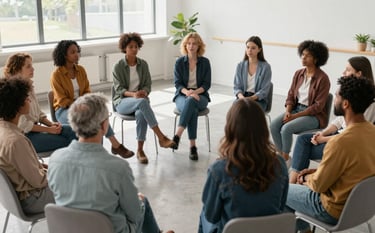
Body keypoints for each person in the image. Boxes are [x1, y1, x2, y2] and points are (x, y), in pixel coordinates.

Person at [47, 93, 174, 233]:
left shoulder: (55, 160)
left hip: (70, 229)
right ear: (104, 125)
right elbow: (135, 214)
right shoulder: (117, 168)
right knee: (142, 201)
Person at [286, 76, 375, 233]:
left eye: (337, 96)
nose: (334, 99)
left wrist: (305, 178)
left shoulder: (339, 142)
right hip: (362, 208)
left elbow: (319, 185)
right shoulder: (372, 133)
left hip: (332, 209)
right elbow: (354, 172)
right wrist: (315, 171)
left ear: (346, 104)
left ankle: (304, 229)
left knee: (282, 190)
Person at [198, 99, 289, 233]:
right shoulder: (280, 163)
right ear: (263, 129)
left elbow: (211, 216)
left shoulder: (218, 170)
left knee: (204, 215)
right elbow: (281, 206)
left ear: (230, 129)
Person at [289, 56, 375, 183]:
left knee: (303, 149)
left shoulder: (368, 101)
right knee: (303, 141)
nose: (343, 73)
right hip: (340, 135)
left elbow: (351, 135)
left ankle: (293, 183)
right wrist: (322, 133)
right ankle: (294, 182)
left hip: (344, 142)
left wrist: (323, 139)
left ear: (359, 73)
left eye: (347, 70)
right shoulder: (348, 92)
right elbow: (339, 120)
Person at [50, 40, 134, 159]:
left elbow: (86, 92)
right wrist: (80, 105)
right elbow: (62, 100)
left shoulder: (81, 70)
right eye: (72, 52)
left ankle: (110, 147)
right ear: (64, 55)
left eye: (77, 51)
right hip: (64, 110)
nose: (76, 54)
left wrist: (86, 104)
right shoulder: (56, 75)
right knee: (93, 119)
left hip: (82, 106)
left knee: (99, 116)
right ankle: (114, 146)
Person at [112, 32, 176, 164]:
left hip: (140, 102)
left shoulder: (143, 64)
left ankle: (140, 150)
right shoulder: (118, 66)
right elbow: (119, 89)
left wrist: (144, 92)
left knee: (141, 113)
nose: (134, 49)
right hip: (123, 102)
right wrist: (134, 95)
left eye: (136, 46)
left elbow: (148, 85)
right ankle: (161, 137)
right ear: (124, 48)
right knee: (142, 103)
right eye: (131, 47)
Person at [0, 77, 55, 214]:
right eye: (26, 97)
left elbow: (27, 167)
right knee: (84, 184)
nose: (29, 100)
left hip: (15, 197)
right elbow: (39, 181)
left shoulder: (4, 130)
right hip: (33, 199)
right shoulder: (16, 141)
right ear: (17, 105)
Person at [270, 40, 330, 163]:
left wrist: (295, 116)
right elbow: (291, 95)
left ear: (316, 59)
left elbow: (318, 107)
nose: (303, 57)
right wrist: (288, 111)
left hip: (314, 116)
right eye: (302, 54)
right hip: (296, 109)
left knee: (286, 128)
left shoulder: (323, 78)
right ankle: (282, 157)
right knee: (274, 125)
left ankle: (285, 159)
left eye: (307, 55)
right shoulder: (299, 74)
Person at [2, 53, 76, 153]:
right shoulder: (13, 92)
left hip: (36, 129)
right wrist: (49, 130)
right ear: (17, 70)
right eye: (28, 66)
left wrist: (51, 124)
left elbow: (39, 113)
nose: (33, 69)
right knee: (68, 140)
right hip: (25, 136)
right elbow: (23, 125)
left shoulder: (29, 85)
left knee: (75, 131)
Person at [172, 32, 211, 161]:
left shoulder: (205, 62)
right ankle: (192, 147)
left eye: (194, 43)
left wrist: (195, 92)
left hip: (201, 95)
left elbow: (206, 84)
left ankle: (177, 135)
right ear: (185, 45)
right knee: (191, 106)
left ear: (199, 46)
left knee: (192, 102)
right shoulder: (179, 62)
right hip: (183, 95)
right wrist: (188, 92)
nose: (191, 46)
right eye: (188, 43)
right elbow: (177, 84)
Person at [233, 36, 272, 111]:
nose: (249, 50)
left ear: (259, 49)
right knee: (235, 111)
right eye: (248, 47)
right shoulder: (240, 66)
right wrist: (242, 98)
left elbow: (264, 90)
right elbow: (237, 87)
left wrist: (251, 98)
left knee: (248, 112)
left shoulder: (266, 67)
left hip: (258, 100)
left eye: (253, 48)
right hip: (242, 97)